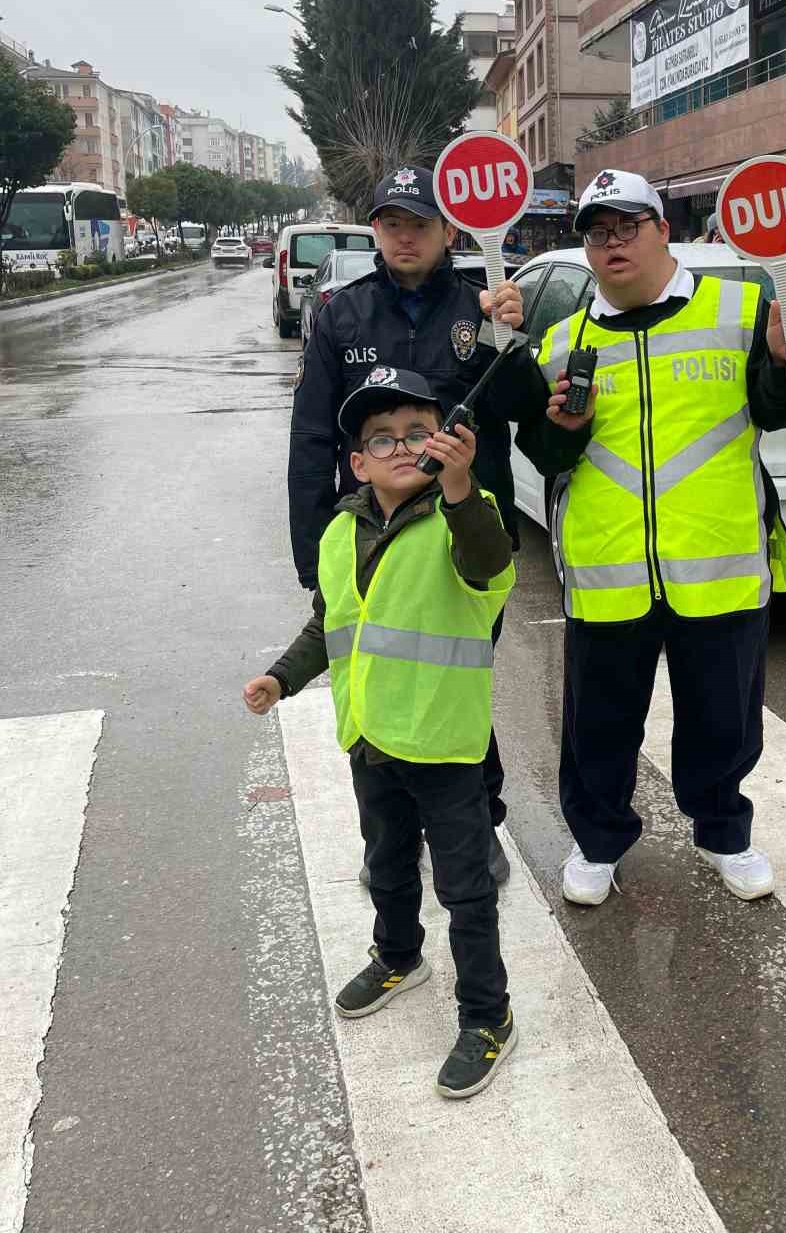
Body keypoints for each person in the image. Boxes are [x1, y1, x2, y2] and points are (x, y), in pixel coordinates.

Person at [515, 170, 786, 908]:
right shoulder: (562, 339)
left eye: (626, 226)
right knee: (599, 726)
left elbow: (780, 412)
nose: (611, 244)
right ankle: (599, 842)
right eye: (596, 232)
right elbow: (543, 455)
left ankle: (724, 833)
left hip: (716, 560)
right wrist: (560, 429)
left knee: (723, 718)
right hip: (606, 564)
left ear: (661, 229)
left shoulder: (742, 310)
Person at [244, 368, 517, 1098]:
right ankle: (399, 956)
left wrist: (460, 489)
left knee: (465, 890)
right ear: (357, 463)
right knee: (388, 866)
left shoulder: (470, 513)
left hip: (444, 745)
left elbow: (489, 568)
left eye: (419, 431)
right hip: (370, 739)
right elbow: (328, 622)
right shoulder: (342, 531)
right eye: (381, 438)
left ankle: (488, 1017)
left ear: (449, 441)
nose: (403, 446)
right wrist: (281, 677)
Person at [288, 166, 542, 885]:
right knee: (376, 688)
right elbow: (311, 440)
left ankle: (477, 824)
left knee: (458, 687)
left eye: (419, 223)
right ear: (376, 229)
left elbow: (523, 404)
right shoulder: (342, 315)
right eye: (391, 222)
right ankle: (393, 839)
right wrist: (315, 558)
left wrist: (511, 333)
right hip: (372, 544)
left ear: (447, 232)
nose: (405, 236)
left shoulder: (480, 306)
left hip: (464, 537)